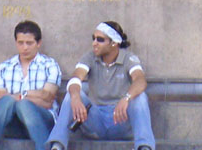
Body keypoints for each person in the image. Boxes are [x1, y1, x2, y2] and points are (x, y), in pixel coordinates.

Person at [46, 21, 154, 150]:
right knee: (72, 94)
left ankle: (144, 147)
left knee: (140, 97)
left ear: (114, 43)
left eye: (100, 39)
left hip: (120, 120)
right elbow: (76, 77)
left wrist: (126, 98)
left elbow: (140, 80)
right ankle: (57, 146)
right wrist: (75, 97)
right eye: (94, 38)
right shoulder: (90, 57)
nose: (94, 43)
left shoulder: (128, 58)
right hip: (95, 121)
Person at [0, 20, 62, 150]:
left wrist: (21, 96)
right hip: (13, 124)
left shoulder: (50, 65)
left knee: (23, 104)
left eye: (29, 43)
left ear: (39, 43)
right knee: (7, 101)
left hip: (43, 121)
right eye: (20, 43)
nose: (25, 47)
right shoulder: (5, 67)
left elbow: (47, 100)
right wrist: (33, 96)